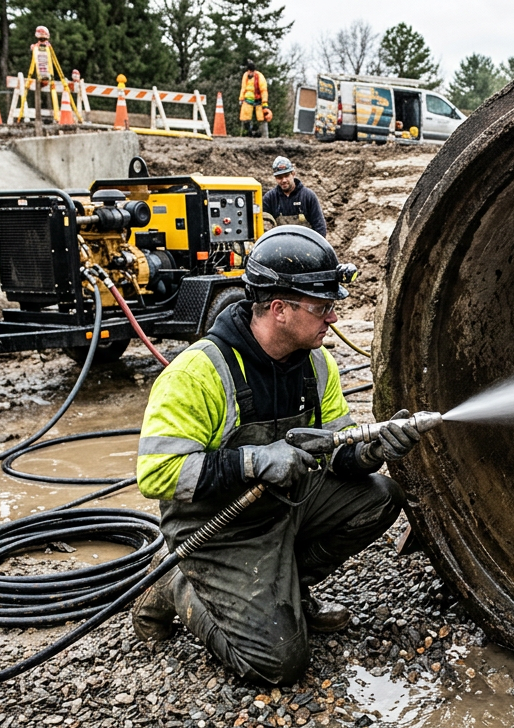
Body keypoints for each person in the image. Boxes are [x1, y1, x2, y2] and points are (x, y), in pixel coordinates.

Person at [131, 225, 420, 685]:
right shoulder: (200, 372)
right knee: (278, 665)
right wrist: (253, 461)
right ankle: (178, 584)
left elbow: (339, 447)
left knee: (381, 497)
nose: (333, 319)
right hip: (219, 525)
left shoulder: (316, 363)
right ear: (280, 309)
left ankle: (284, 588)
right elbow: (157, 473)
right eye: (323, 307)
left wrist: (370, 451)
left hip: (284, 504)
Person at [263, 156, 328, 237]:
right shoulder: (269, 198)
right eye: (279, 177)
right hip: (279, 246)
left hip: (305, 246)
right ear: (275, 178)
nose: (284, 180)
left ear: (293, 174)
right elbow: (263, 226)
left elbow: (320, 226)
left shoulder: (308, 196)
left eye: (286, 175)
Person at [239, 60, 270, 138]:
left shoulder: (260, 76)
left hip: (258, 100)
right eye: (249, 71)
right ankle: (249, 133)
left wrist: (265, 103)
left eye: (251, 71)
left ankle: (264, 135)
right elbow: (243, 88)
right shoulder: (245, 76)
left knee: (262, 118)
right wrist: (241, 98)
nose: (250, 73)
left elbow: (263, 90)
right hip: (247, 99)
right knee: (245, 118)